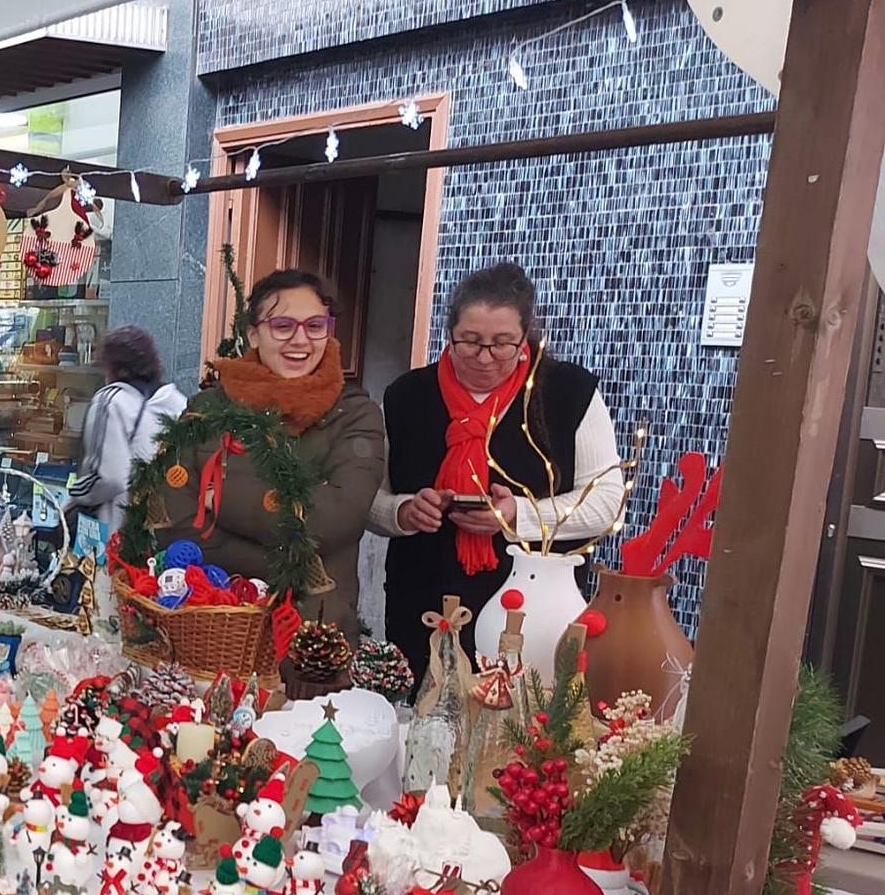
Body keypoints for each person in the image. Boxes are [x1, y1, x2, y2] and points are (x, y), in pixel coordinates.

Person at [371, 261, 624, 685]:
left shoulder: (567, 393)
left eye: (503, 343)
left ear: (526, 337)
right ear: (448, 333)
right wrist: (403, 512)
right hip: (424, 594)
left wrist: (516, 517)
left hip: (532, 601)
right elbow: (370, 498)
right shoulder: (406, 396)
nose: (485, 357)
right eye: (469, 342)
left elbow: (605, 501)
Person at [147, 269, 385, 638]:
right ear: (253, 333)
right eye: (283, 325)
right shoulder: (208, 408)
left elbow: (335, 519)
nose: (300, 339)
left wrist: (220, 501)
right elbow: (172, 519)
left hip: (314, 632)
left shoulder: (354, 414)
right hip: (211, 618)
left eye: (315, 325)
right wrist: (292, 563)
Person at [67, 326, 187, 537]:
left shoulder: (111, 402)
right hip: (167, 532)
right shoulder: (178, 403)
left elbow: (111, 478)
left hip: (119, 532)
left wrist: (74, 496)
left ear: (112, 366)